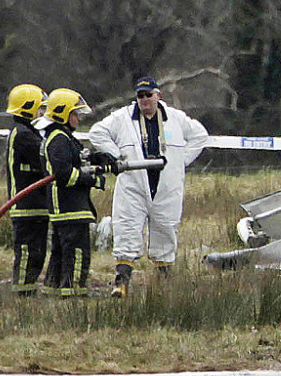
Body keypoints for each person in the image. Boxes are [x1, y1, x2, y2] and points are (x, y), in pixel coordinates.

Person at [88, 76, 209, 297]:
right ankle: (121, 282)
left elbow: (200, 136)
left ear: (158, 96)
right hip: (133, 186)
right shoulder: (123, 117)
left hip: (166, 187)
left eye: (148, 95)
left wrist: (181, 161)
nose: (144, 100)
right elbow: (97, 132)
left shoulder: (175, 118)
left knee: (166, 230)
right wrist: (117, 157)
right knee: (127, 230)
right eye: (140, 96)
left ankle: (165, 283)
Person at [41, 88, 104, 296]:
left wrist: (97, 159)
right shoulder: (58, 139)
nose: (78, 118)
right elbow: (64, 174)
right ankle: (74, 294)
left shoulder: (62, 137)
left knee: (61, 253)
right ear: (63, 114)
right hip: (69, 208)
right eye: (75, 114)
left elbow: (77, 159)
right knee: (77, 253)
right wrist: (91, 179)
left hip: (68, 208)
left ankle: (53, 290)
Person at [5, 84, 49, 296]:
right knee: (26, 252)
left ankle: (28, 291)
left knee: (38, 253)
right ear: (27, 108)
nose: (42, 113)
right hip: (25, 205)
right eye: (40, 109)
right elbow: (44, 156)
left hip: (37, 204)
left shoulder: (30, 133)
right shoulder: (22, 134)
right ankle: (22, 293)